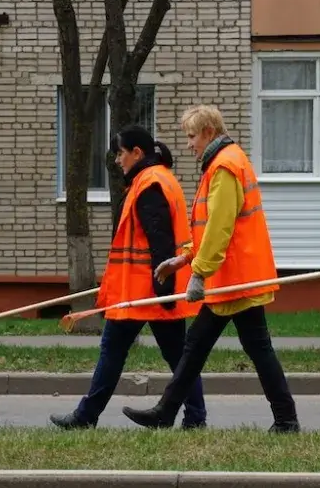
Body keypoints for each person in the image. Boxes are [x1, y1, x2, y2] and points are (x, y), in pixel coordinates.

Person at [121, 104, 300, 433]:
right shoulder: (224, 162)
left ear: (208, 133)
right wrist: (185, 257)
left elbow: (220, 228)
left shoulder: (224, 167)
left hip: (232, 277)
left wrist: (199, 272)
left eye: (191, 136)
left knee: (208, 347)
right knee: (239, 348)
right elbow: (208, 229)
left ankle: (167, 411)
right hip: (235, 276)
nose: (188, 144)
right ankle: (284, 418)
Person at [49, 124, 208, 430]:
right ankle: (195, 417)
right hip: (151, 289)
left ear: (137, 152)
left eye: (121, 153)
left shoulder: (149, 184)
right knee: (178, 357)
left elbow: (159, 239)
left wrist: (164, 289)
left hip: (143, 291)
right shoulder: (158, 179)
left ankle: (85, 417)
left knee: (114, 351)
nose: (117, 160)